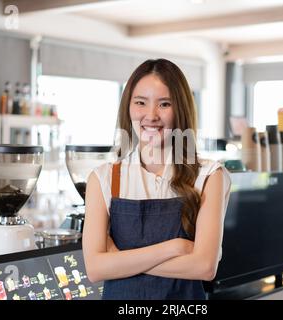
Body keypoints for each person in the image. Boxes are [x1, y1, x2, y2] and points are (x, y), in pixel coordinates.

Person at [83, 58, 231, 300]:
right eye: (140, 102)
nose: (151, 115)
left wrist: (120, 259)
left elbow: (205, 267)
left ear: (180, 109)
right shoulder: (104, 178)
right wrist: (176, 248)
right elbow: (95, 268)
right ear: (128, 107)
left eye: (164, 104)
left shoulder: (208, 176)